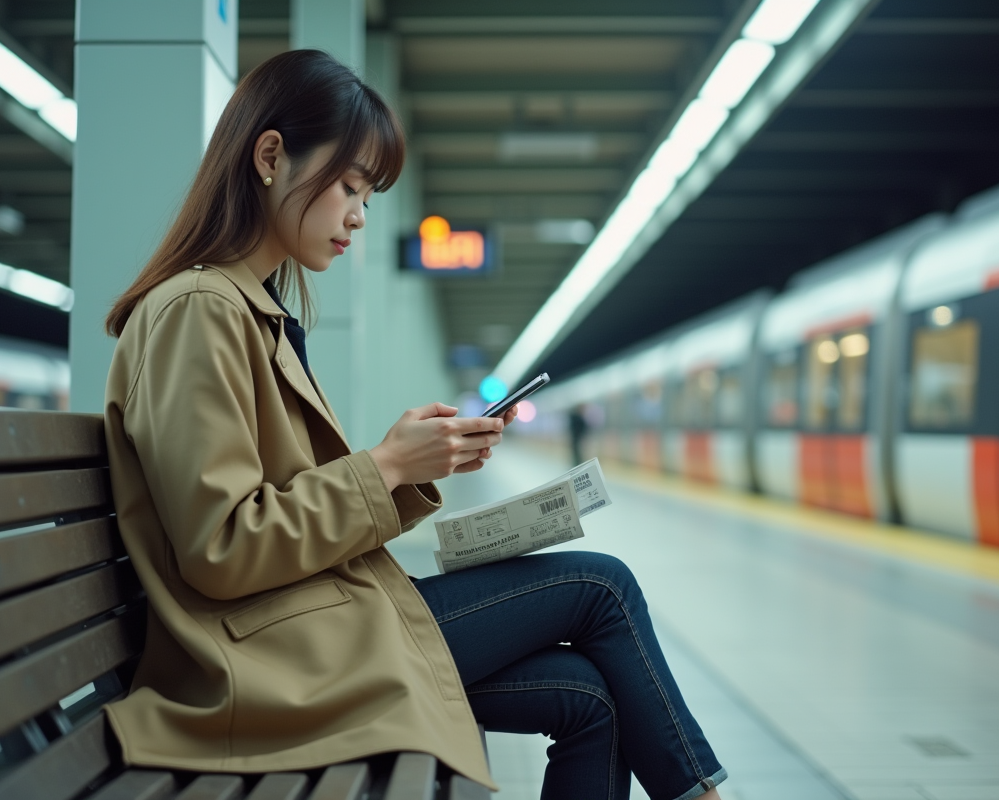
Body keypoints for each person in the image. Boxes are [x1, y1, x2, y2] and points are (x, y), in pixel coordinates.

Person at [101, 49, 726, 800]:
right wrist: (388, 466)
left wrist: (409, 464)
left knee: (591, 694)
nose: (360, 216)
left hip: (302, 630)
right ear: (271, 155)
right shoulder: (199, 311)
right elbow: (223, 548)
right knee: (604, 587)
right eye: (351, 187)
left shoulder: (242, 310)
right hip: (267, 658)